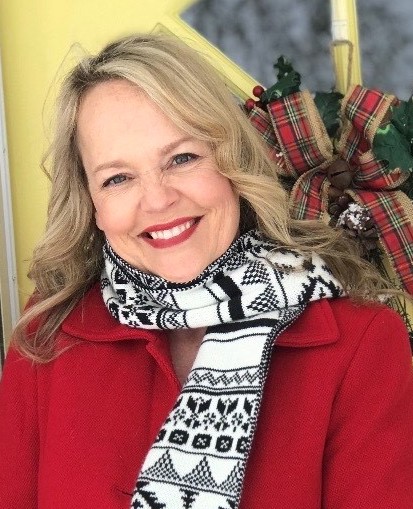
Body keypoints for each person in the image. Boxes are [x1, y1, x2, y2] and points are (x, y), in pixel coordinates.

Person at [0, 33, 413, 509]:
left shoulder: (360, 342)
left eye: (183, 158)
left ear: (233, 161)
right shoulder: (47, 336)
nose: (157, 200)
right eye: (117, 178)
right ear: (91, 203)